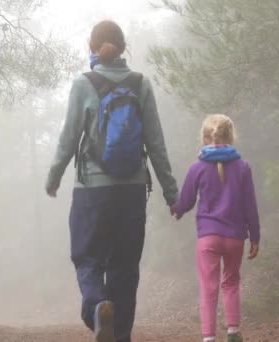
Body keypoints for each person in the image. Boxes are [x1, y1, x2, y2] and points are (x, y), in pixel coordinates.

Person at [45, 20, 178, 342]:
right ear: (123, 48)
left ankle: (97, 306)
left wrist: (54, 176)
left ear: (93, 47)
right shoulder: (141, 84)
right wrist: (171, 192)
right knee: (125, 267)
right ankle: (120, 337)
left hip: (92, 191)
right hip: (131, 191)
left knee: (87, 257)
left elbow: (68, 138)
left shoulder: (83, 84)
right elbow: (156, 144)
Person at [171, 114, 260, 342]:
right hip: (235, 238)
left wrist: (177, 210)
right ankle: (232, 331)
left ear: (204, 137)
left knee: (208, 288)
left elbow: (187, 200)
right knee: (231, 282)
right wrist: (255, 237)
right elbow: (250, 205)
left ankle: (209, 337)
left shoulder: (197, 167)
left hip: (208, 237)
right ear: (231, 136)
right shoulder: (243, 167)